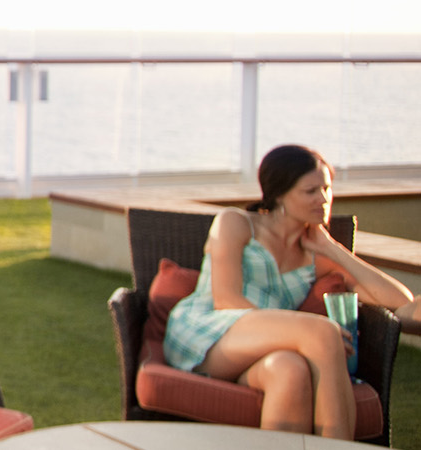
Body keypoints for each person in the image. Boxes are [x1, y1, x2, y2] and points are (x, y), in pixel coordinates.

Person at [163, 144, 420, 438]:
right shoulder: (236, 223)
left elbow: (400, 302)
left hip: (270, 347)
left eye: (327, 188)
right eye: (310, 191)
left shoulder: (316, 255)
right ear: (280, 193)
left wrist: (333, 249)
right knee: (322, 333)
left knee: (289, 369)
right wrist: (298, 333)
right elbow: (227, 300)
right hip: (209, 331)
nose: (323, 199)